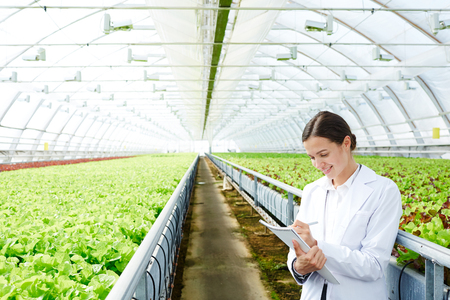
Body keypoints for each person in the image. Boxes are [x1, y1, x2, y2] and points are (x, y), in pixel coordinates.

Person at [287, 111, 402, 300]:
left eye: (323, 154)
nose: (317, 164)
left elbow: (374, 265)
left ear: (346, 143)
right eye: (311, 157)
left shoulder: (383, 191)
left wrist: (317, 247)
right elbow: (297, 248)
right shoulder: (312, 191)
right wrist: (298, 266)